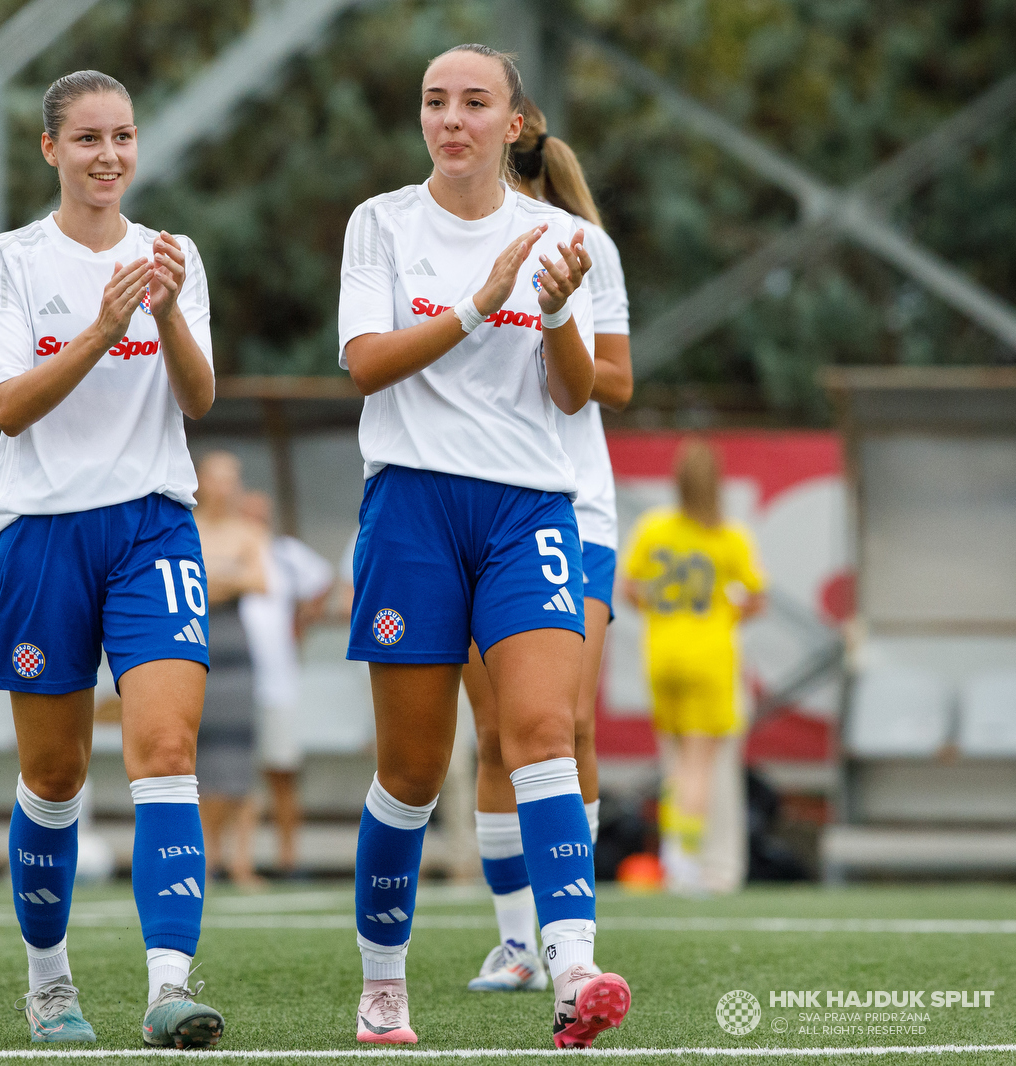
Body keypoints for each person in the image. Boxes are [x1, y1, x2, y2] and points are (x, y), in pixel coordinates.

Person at [337, 43, 629, 1049]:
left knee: (542, 728)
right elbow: (367, 366)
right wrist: (477, 301)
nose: (449, 119)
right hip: (412, 509)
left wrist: (549, 312)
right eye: (433, 101)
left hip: (529, 511)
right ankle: (383, 981)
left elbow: (574, 391)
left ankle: (572, 963)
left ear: (513, 124)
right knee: (412, 771)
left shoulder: (558, 232)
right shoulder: (379, 224)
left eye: (473, 102)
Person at [0, 70, 220, 1049]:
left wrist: (159, 313)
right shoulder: (10, 259)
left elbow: (197, 400)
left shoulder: (173, 254)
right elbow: (9, 406)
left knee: (164, 750)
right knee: (56, 773)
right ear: (50, 150)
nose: (107, 155)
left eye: (121, 136)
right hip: (40, 530)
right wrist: (104, 325)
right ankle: (49, 981)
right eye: (85, 139)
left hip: (155, 524)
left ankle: (168, 985)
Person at [463, 98, 634, 994]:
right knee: (494, 732)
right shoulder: (428, 234)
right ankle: (515, 942)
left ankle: (571, 935)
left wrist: (546, 322)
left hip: (576, 512)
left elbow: (616, 380)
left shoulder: (578, 243)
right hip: (470, 509)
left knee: (566, 724)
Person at [622, 440, 767, 894]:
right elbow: (756, 598)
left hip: (662, 657)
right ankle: (688, 860)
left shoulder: (654, 527)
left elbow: (629, 588)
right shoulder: (729, 534)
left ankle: (674, 853)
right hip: (710, 658)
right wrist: (723, 615)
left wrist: (665, 612)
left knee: (674, 765)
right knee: (701, 767)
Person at [238, 490, 333, 877]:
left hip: (278, 681)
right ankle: (232, 859)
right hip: (232, 682)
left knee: (282, 772)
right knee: (232, 774)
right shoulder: (226, 555)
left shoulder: (285, 554)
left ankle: (287, 857)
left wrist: (302, 621)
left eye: (262, 516)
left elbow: (323, 580)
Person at [192, 453, 267, 889]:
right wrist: (228, 571)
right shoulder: (185, 526)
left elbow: (260, 581)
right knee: (199, 759)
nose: (225, 487)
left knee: (240, 762)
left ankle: (242, 862)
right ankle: (205, 858)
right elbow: (185, 577)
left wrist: (214, 574)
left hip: (237, 654)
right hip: (196, 647)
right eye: (217, 478)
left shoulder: (249, 532)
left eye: (232, 478)